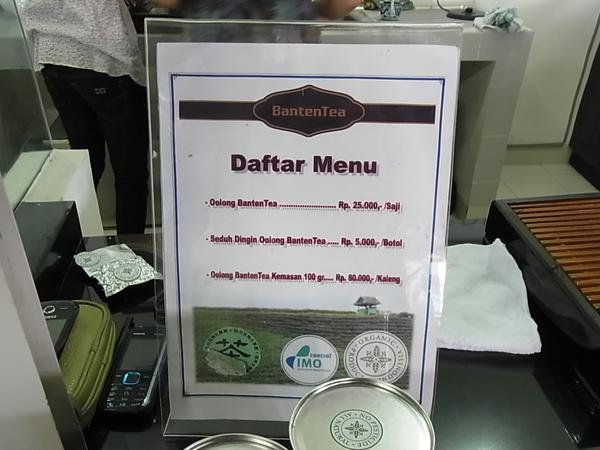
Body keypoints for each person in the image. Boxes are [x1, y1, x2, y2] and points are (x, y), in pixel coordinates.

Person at [22, 0, 149, 235]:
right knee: (130, 172)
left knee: (86, 164)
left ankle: (66, 247)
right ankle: (128, 252)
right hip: (101, 57)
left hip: (52, 55)